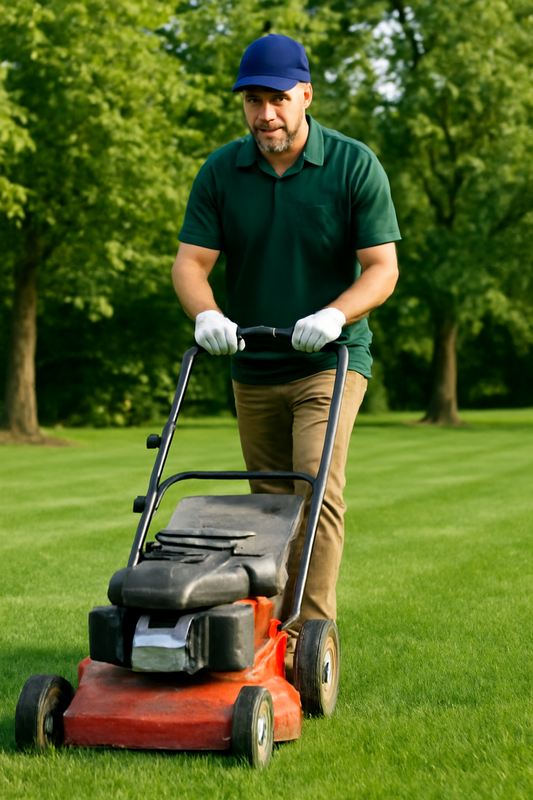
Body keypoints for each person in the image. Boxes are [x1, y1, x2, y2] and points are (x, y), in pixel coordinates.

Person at [172, 33, 401, 677]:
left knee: (315, 489)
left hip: (330, 361)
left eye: (277, 98)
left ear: (305, 94)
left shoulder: (354, 165)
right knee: (269, 501)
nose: (265, 113)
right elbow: (191, 263)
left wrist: (335, 313)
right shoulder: (223, 170)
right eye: (253, 100)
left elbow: (381, 269)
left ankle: (311, 638)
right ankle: (266, 629)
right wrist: (207, 314)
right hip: (254, 364)